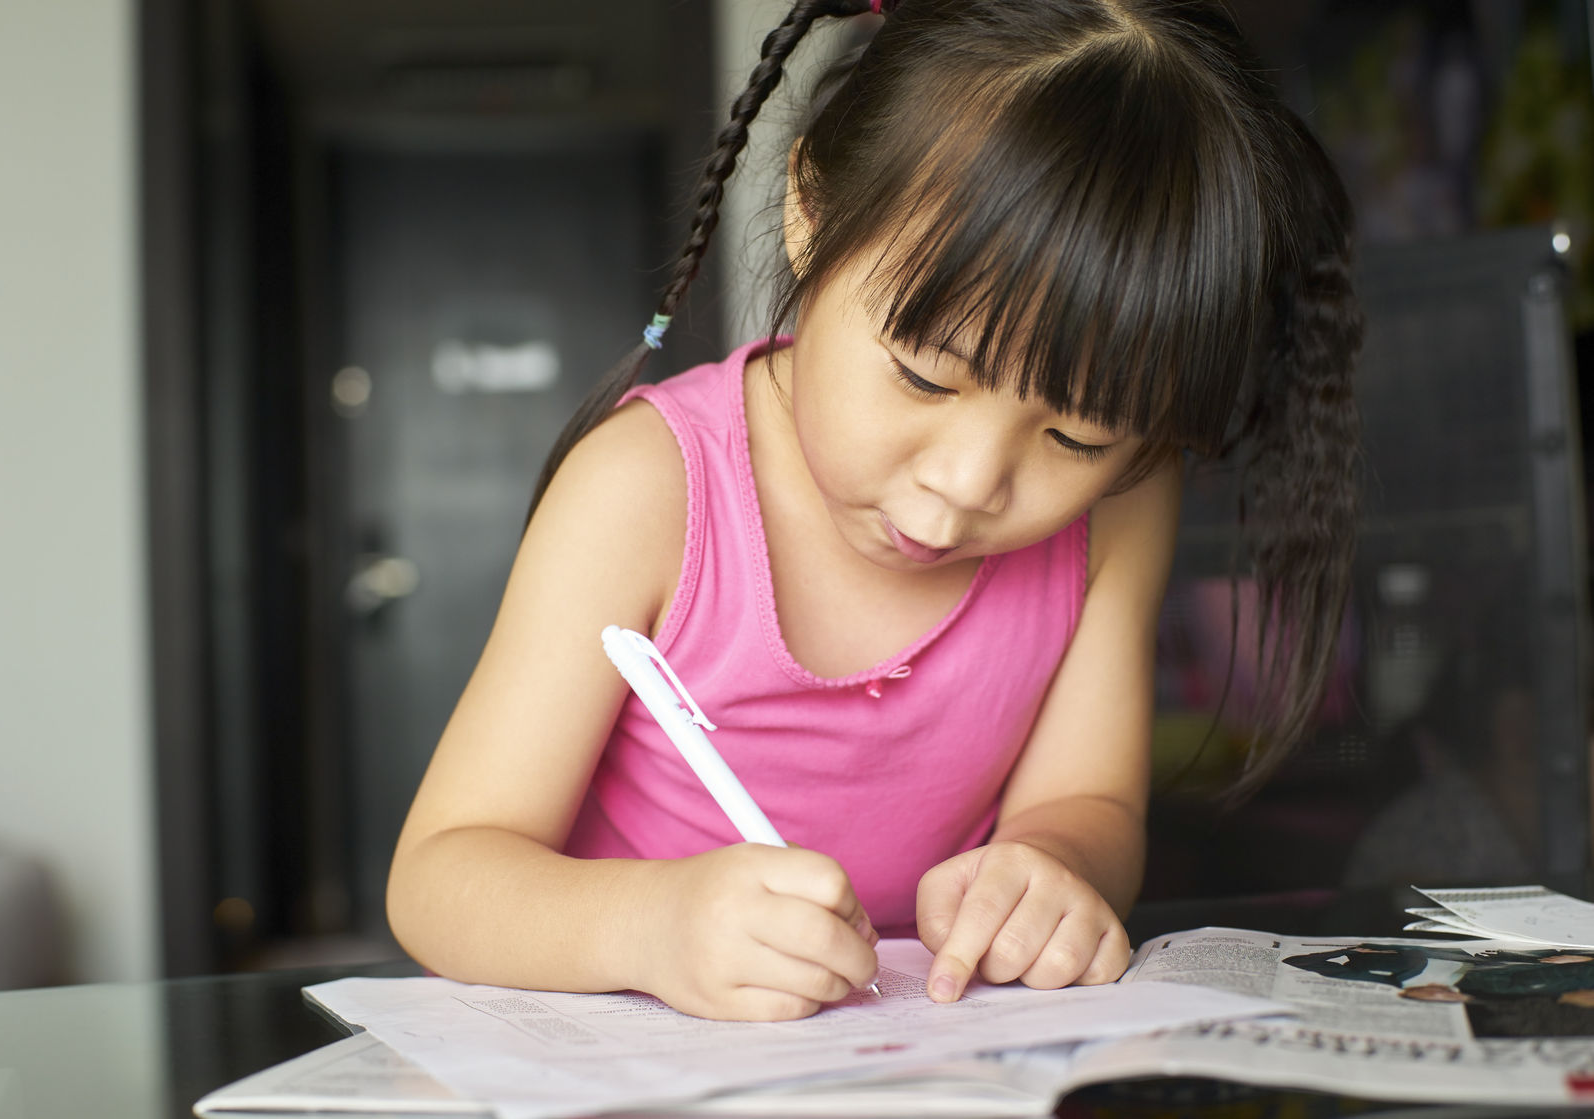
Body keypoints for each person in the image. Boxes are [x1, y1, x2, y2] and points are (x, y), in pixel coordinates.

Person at [386, 0, 1363, 1022]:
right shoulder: (646, 488)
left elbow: (1088, 803)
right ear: (811, 215)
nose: (963, 485)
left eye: (1076, 438)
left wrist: (1046, 868)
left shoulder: (1120, 501)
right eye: (924, 378)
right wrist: (652, 926)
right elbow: (441, 877)